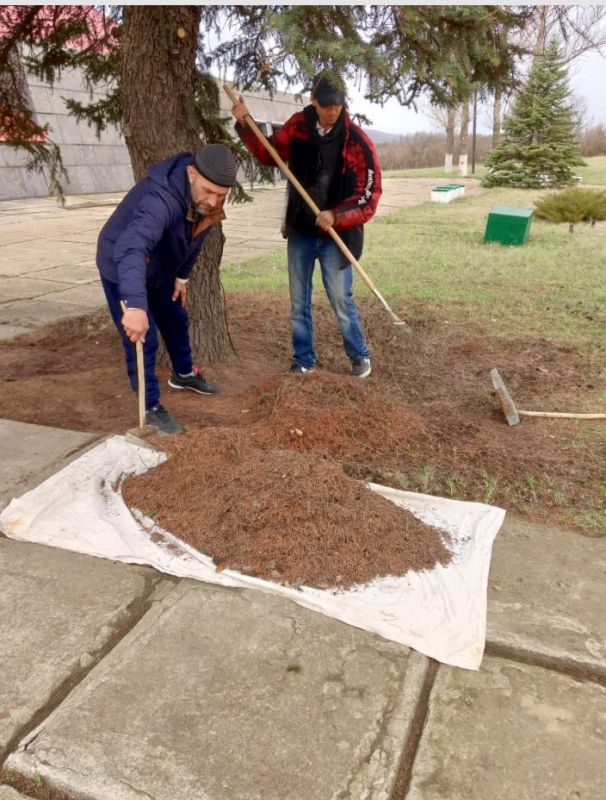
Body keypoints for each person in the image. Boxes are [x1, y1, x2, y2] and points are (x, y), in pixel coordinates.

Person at [231, 70, 382, 378]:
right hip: (301, 229)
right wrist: (246, 123)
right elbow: (269, 152)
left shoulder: (357, 142)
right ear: (313, 101)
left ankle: (359, 356)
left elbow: (369, 196)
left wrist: (337, 215)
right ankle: (304, 359)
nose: (331, 112)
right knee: (299, 300)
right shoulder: (299, 127)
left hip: (337, 236)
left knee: (341, 298)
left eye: (337, 106)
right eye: (326, 105)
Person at [96, 143, 238, 434]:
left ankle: (184, 374)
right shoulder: (161, 199)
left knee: (175, 317)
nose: (213, 201)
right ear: (190, 174)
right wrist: (135, 306)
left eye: (221, 196)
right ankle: (149, 409)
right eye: (208, 191)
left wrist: (182, 277)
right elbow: (131, 246)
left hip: (159, 268)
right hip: (122, 264)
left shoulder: (206, 203)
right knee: (142, 340)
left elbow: (195, 240)